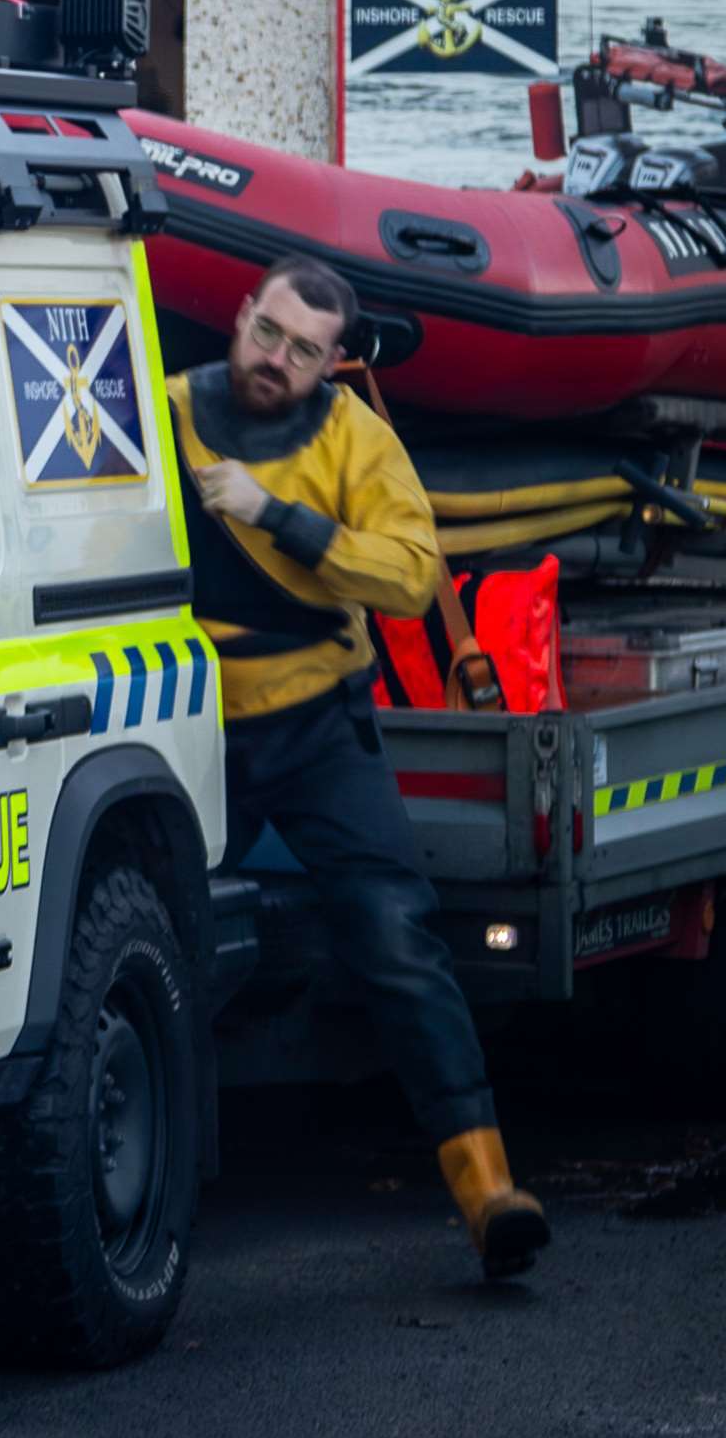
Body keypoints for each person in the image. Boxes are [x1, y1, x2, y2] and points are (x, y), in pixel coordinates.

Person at [169, 255, 551, 1279]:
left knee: (396, 934)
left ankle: (488, 1195)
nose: (274, 359)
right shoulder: (159, 412)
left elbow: (413, 572)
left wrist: (274, 513)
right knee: (141, 943)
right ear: (241, 315)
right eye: (266, 332)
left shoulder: (353, 439)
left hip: (315, 731)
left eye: (302, 350)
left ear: (332, 361)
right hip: (186, 729)